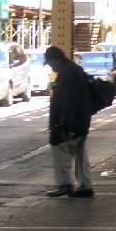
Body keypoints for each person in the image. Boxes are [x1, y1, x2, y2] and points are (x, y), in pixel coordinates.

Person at [43, 46, 94, 198]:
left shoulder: (68, 74)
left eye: (51, 63)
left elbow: (68, 102)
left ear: (56, 60)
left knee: (60, 148)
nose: (51, 67)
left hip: (71, 123)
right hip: (81, 120)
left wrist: (64, 125)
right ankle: (85, 186)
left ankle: (65, 184)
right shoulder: (73, 70)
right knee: (79, 153)